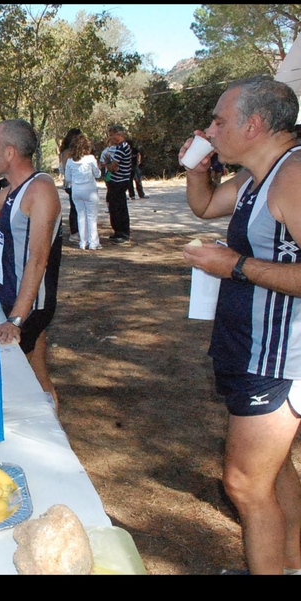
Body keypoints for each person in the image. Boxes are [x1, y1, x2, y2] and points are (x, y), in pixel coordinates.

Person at [181, 76, 301, 575]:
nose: (210, 129)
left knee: (245, 484)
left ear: (253, 125)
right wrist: (197, 168)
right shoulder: (258, 173)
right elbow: (206, 205)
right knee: (274, 477)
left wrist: (233, 265)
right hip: (249, 348)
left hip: (280, 357)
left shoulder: (293, 175)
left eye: (219, 121)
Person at [0, 119, 62, 408]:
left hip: (30, 306)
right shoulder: (15, 188)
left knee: (5, 384)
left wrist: (16, 319)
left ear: (10, 153)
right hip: (12, 296)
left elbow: (38, 258)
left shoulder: (40, 189)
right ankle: (55, 429)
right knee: (39, 380)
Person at [64, 133, 102, 251]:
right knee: (91, 216)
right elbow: (98, 174)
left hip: (76, 190)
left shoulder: (70, 161)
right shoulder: (90, 159)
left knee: (81, 215)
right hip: (89, 189)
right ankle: (93, 242)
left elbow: (68, 178)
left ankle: (82, 242)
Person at [99, 125, 132, 244]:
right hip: (115, 181)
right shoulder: (118, 147)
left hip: (119, 181)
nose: (110, 138)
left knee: (119, 207)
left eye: (112, 135)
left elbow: (113, 166)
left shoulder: (122, 147)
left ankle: (123, 232)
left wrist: (107, 165)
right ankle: (118, 231)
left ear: (118, 135)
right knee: (114, 207)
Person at [58, 128, 82, 242]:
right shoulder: (68, 153)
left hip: (71, 183)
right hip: (73, 183)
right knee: (75, 208)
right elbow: (66, 168)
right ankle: (75, 232)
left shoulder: (65, 151)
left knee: (76, 207)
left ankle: (77, 230)